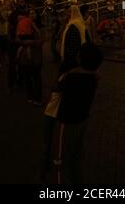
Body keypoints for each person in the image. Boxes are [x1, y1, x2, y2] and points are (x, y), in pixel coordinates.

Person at [40, 43, 103, 184]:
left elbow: (56, 88)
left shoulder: (70, 78)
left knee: (60, 156)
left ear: (80, 58)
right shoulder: (93, 78)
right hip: (82, 121)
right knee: (76, 154)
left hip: (65, 122)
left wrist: (68, 74)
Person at [59, 5, 86, 74]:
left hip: (72, 57)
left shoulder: (73, 25)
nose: (67, 14)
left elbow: (72, 42)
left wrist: (69, 57)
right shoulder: (76, 22)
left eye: (69, 12)